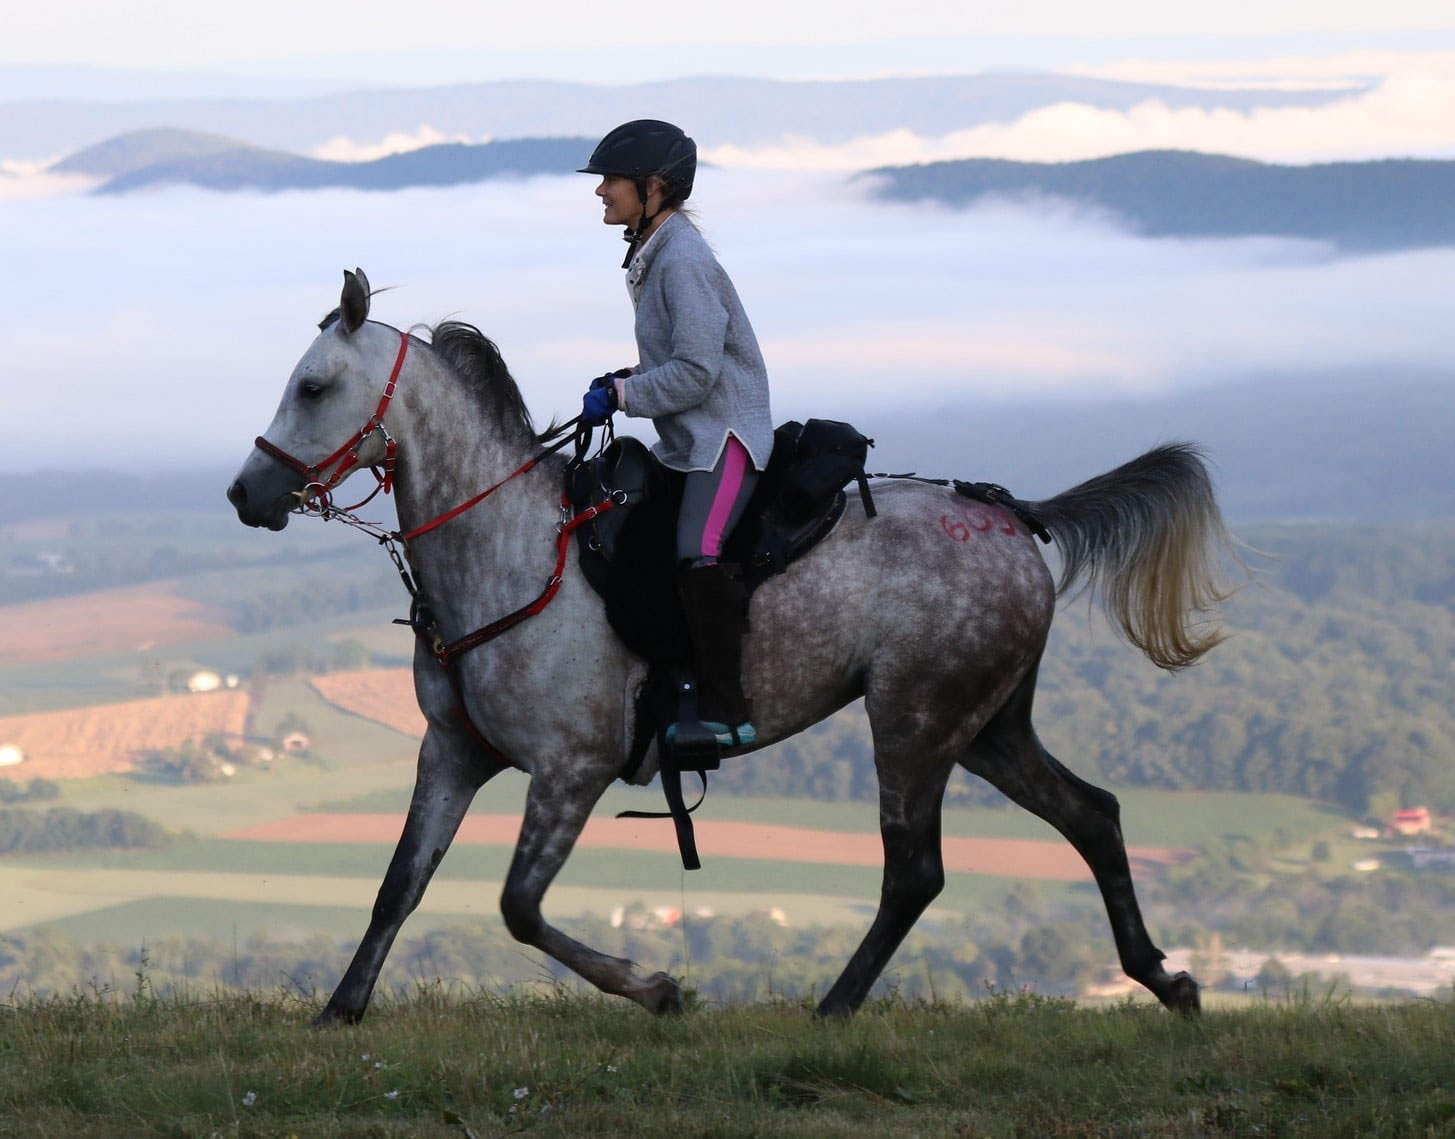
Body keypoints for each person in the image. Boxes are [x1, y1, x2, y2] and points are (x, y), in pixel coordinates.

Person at [578, 119, 774, 749]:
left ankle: (726, 715)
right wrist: (625, 378)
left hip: (725, 439)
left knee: (698, 552)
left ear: (653, 187)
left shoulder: (681, 262)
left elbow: (694, 373)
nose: (601, 191)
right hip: (688, 441)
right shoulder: (656, 251)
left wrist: (626, 394)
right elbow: (677, 360)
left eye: (611, 180)